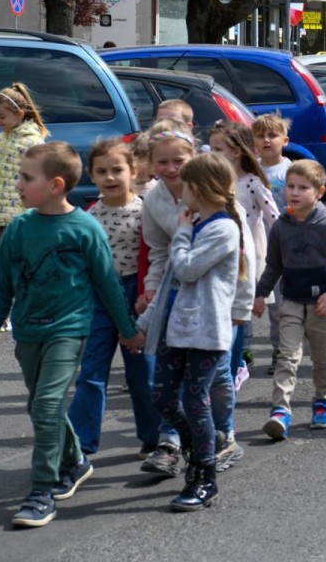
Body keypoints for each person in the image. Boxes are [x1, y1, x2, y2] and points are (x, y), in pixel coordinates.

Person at [0, 143, 143, 528]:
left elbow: (107, 284)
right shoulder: (18, 228)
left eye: (26, 177)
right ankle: (75, 459)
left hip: (70, 329)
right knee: (42, 406)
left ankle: (42, 491)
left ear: (56, 184)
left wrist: (127, 331)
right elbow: (1, 289)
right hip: (28, 332)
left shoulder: (84, 227)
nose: (18, 183)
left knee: (45, 407)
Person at [136, 152, 244, 512]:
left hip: (206, 332)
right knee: (163, 397)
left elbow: (185, 269)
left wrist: (181, 232)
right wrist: (145, 323)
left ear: (198, 188)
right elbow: (170, 279)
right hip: (176, 329)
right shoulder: (197, 224)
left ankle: (203, 477)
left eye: (184, 185)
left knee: (196, 400)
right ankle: (203, 441)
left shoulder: (223, 228)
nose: (179, 192)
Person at [67, 139, 160, 462]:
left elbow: (154, 257)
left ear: (134, 171)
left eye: (117, 170)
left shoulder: (145, 211)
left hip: (135, 295)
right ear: (91, 176)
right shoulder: (89, 215)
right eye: (101, 171)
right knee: (91, 373)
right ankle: (81, 445)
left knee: (142, 374)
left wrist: (148, 295)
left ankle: (154, 437)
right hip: (97, 299)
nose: (110, 177)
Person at [256, 160, 326, 438]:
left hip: (322, 305)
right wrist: (260, 294)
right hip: (290, 301)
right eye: (290, 187)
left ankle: (322, 401)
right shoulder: (280, 227)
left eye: (303, 188)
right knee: (287, 356)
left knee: (322, 358)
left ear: (320, 192)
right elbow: (273, 265)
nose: (295, 193)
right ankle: (280, 410)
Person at [137, 122, 200, 477]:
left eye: (179, 159)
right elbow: (158, 249)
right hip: (172, 291)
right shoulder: (154, 199)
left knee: (207, 377)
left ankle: (216, 437)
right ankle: (170, 444)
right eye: (162, 162)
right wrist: (150, 286)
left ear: (193, 157)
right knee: (168, 371)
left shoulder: (208, 189)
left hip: (208, 292)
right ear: (150, 162)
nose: (171, 168)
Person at [207, 122, 278, 383]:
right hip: (223, 252)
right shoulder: (214, 181)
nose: (212, 154)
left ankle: (249, 358)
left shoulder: (252, 183)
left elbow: (274, 218)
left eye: (218, 149)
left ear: (236, 151)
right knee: (230, 308)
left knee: (248, 307)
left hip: (250, 252)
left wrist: (288, 246)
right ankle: (235, 358)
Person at [0, 83, 48, 282]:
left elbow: (42, 179)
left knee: (7, 261)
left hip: (17, 215)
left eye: (2, 116)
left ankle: (14, 302)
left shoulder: (33, 142)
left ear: (19, 114)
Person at [252, 112, 293, 372]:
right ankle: (243, 351)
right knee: (250, 300)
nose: (266, 140)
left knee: (279, 305)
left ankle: (280, 350)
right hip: (255, 246)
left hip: (281, 247)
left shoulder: (289, 170)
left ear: (285, 140)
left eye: (272, 135)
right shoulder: (250, 169)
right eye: (260, 136)